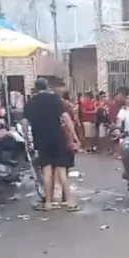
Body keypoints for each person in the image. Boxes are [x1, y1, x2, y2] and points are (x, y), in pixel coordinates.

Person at [22, 78, 80, 212]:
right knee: (61, 171)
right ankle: (70, 202)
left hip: (41, 139)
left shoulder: (30, 102)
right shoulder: (55, 100)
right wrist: (75, 138)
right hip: (57, 138)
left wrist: (26, 140)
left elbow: (25, 123)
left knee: (47, 171)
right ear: (47, 86)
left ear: (35, 88)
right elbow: (66, 118)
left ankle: (48, 203)